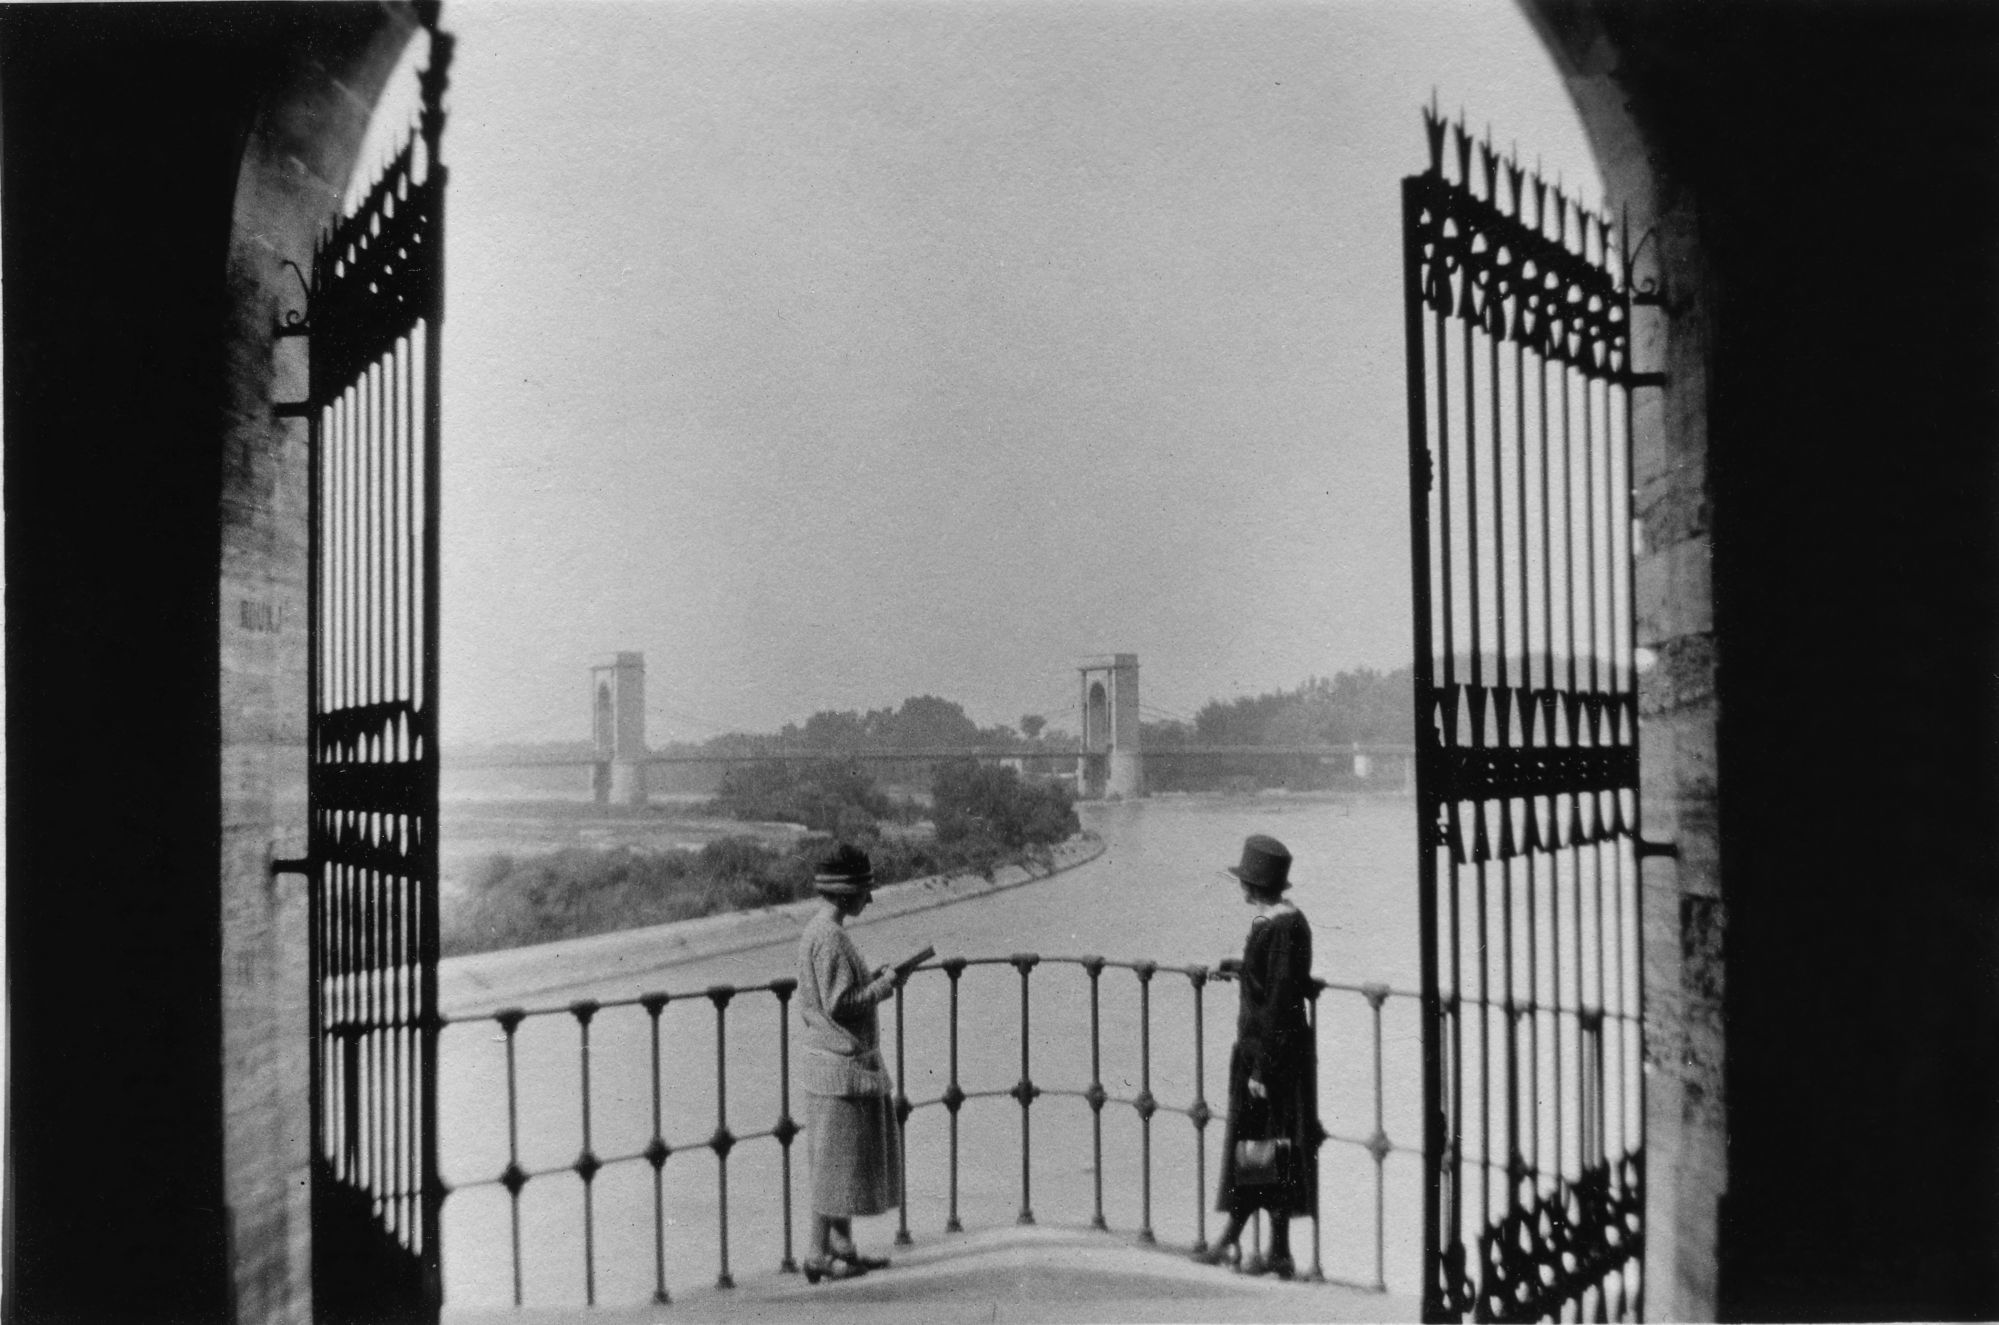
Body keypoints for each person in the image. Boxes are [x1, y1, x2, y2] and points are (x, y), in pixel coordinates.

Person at [1194, 833, 1317, 1279]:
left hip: (1269, 1056)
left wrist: (1262, 1069)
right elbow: (1273, 979)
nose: (1241, 887)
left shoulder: (1280, 927)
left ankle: (1236, 1241)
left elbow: (1281, 999)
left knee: (1262, 1146)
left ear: (1253, 886)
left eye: (1244, 881)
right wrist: (1239, 968)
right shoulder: (1283, 921)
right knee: (1266, 1147)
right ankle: (1276, 1250)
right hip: (1268, 1052)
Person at [795, 842, 902, 1282]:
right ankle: (816, 1255)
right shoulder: (832, 938)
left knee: (834, 1160)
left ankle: (841, 1248)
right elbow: (840, 1004)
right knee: (833, 1167)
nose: (869, 899)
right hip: (840, 1066)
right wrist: (883, 987)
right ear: (846, 892)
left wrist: (871, 979)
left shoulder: (817, 931)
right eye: (864, 890)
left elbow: (828, 996)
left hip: (827, 1064)